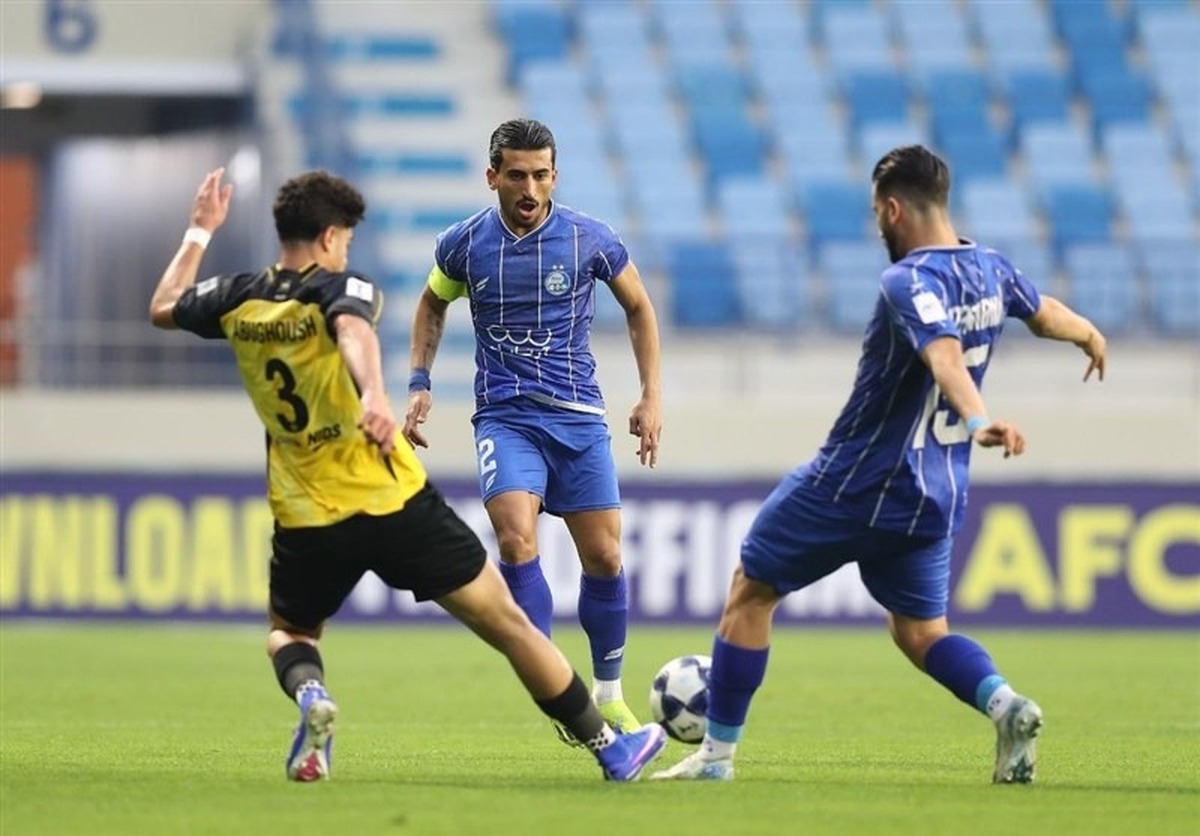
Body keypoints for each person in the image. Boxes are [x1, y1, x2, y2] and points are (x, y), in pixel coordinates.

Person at [148, 167, 666, 782]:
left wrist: (199, 231)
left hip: (306, 514)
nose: (346, 251)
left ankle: (312, 695)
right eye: (345, 240)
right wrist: (374, 393)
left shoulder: (239, 297)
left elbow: (163, 307)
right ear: (331, 237)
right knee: (509, 624)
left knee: (290, 634)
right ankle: (610, 747)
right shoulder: (344, 288)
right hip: (393, 501)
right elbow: (352, 330)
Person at [651, 145, 1108, 784]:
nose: (877, 226)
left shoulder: (907, 281)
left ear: (893, 209)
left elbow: (944, 356)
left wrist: (978, 421)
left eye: (875, 214)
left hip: (857, 479)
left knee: (750, 590)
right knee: (921, 632)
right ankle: (1006, 706)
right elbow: (1042, 311)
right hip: (935, 494)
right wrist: (1088, 332)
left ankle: (716, 758)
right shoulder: (991, 268)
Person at [402, 119, 663, 742]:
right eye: (517, 175)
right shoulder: (464, 245)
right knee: (517, 540)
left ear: (555, 175)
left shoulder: (588, 238)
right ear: (492, 176)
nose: (530, 188)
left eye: (541, 175)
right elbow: (433, 302)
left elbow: (638, 305)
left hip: (578, 419)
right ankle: (561, 694)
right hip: (505, 416)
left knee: (604, 556)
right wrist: (419, 381)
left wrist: (652, 394)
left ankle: (608, 695)